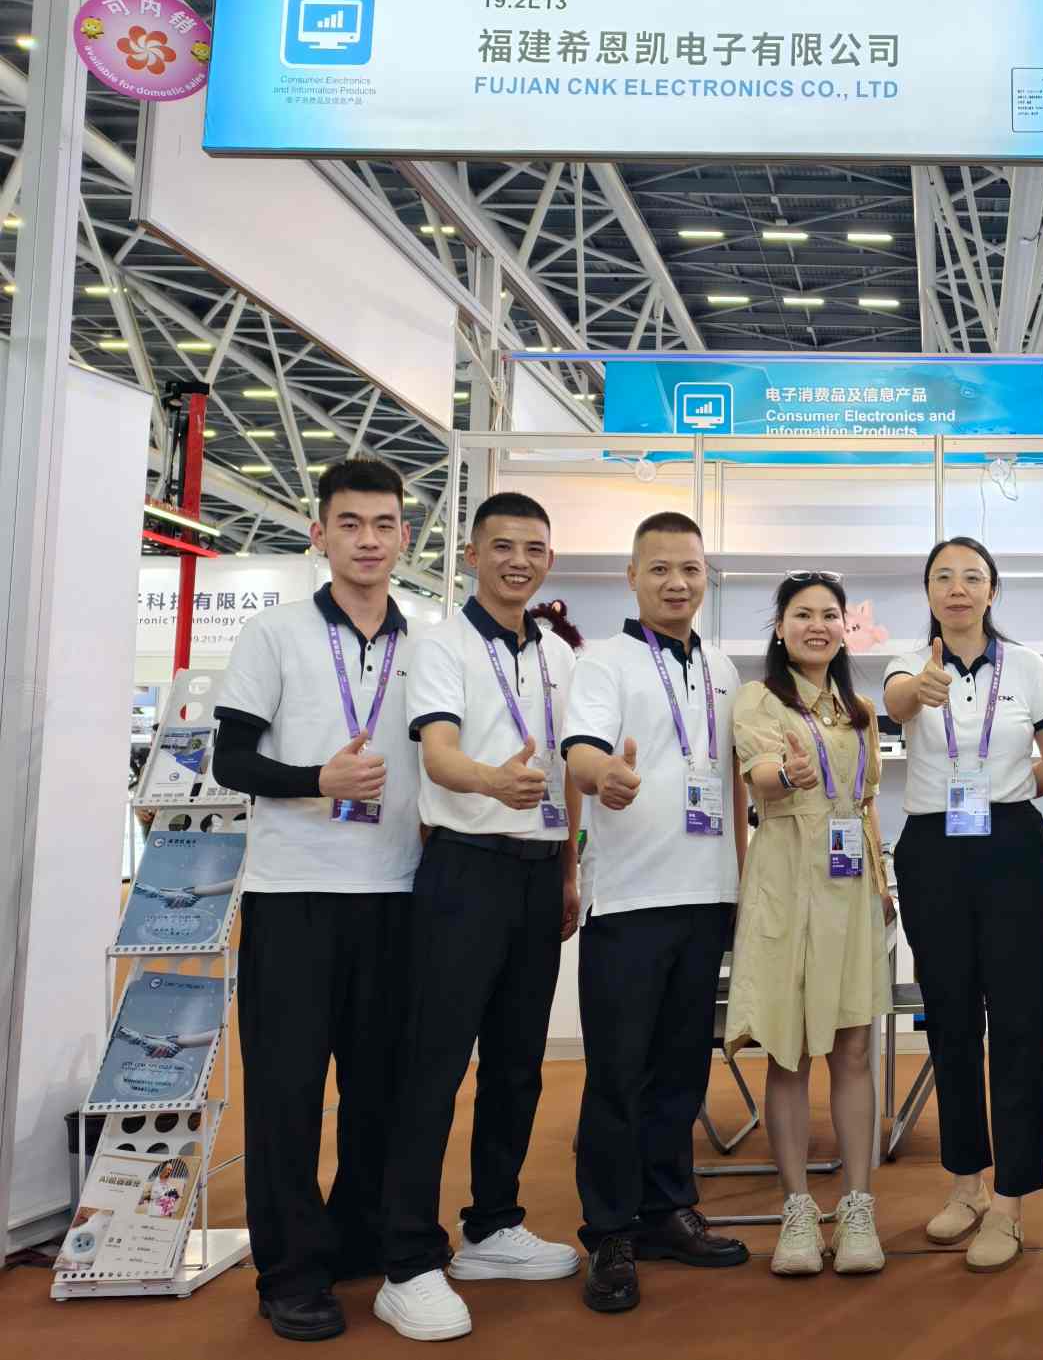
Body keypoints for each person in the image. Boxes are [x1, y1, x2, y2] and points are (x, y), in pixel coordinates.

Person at [212, 457, 422, 1342]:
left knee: (381, 1090)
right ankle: (291, 1272)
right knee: (288, 1094)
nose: (368, 540)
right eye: (350, 523)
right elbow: (229, 759)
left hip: (396, 895)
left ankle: (354, 1236)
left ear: (404, 535)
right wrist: (316, 779)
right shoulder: (276, 632)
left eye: (383, 523)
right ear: (319, 533)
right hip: (293, 894)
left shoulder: (428, 642)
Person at [375, 492, 584, 1344]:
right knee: (433, 1064)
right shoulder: (441, 645)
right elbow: (438, 753)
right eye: (502, 546)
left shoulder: (559, 654)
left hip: (538, 874)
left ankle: (492, 1224)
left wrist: (568, 868)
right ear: (470, 554)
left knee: (516, 1063)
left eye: (533, 548)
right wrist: (493, 782)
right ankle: (405, 1258)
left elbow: (566, 772)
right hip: (464, 869)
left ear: (548, 560)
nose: (518, 561)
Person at [560, 512, 751, 1316]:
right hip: (629, 898)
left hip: (706, 894)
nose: (677, 582)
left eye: (691, 568)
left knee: (680, 1067)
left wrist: (741, 880)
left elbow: (732, 783)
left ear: (706, 576)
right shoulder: (602, 662)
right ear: (631, 577)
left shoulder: (724, 667)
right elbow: (578, 751)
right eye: (661, 568)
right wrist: (602, 774)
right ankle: (608, 1230)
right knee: (617, 1072)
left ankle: (666, 1207)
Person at [882, 537, 1043, 1273]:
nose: (957, 588)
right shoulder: (907, 661)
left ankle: (1011, 1199)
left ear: (993, 589)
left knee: (1018, 1019)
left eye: (972, 577)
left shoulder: (1029, 666)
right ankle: (966, 1183)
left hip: (1011, 841)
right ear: (927, 591)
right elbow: (894, 702)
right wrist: (918, 690)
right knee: (951, 1019)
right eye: (943, 577)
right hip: (932, 848)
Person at [728, 572, 891, 1279]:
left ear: (843, 629)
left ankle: (857, 1205)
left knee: (853, 1049)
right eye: (802, 614)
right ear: (780, 628)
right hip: (786, 885)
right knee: (787, 1052)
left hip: (850, 890)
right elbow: (760, 774)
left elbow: (866, 803)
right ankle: (797, 1208)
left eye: (829, 614)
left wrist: (881, 883)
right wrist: (788, 774)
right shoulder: (757, 699)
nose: (817, 625)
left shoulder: (860, 710)